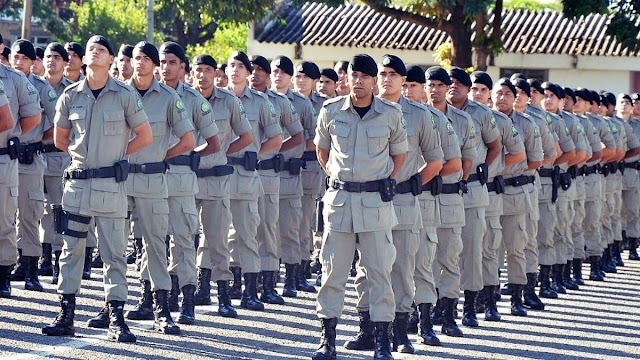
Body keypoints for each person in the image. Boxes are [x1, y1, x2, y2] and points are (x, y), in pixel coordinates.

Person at [42, 35, 152, 342]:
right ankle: (66, 315)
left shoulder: (125, 95)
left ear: (111, 59)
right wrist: (84, 159)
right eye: (91, 49)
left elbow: (145, 136)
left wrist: (116, 157)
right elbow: (60, 139)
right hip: (77, 186)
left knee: (114, 253)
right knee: (71, 251)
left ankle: (115, 316)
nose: (93, 52)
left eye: (101, 50)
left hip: (109, 187)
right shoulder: (70, 95)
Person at [312, 54, 407, 360]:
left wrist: (384, 180)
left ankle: (381, 342)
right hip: (340, 203)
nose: (359, 81)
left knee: (379, 272)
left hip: (375, 203)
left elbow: (399, 155)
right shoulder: (330, 110)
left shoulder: (390, 114)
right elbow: (322, 150)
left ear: (374, 80)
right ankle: (327, 341)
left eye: (366, 76)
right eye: (355, 75)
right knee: (333, 272)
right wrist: (337, 179)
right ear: (348, 78)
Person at [120, 41, 195, 336]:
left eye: (145, 59)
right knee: (114, 246)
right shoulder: (117, 93)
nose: (139, 63)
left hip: (152, 180)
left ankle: (162, 309)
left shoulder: (167, 97)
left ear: (154, 65)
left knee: (155, 245)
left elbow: (189, 141)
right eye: (135, 58)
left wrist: (160, 156)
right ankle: (112, 305)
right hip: (119, 178)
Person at [158, 42, 220, 325]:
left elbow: (214, 142)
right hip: (150, 177)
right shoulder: (146, 95)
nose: (166, 67)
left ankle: (188, 299)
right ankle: (153, 297)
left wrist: (193, 156)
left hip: (181, 177)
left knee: (183, 240)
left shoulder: (194, 100)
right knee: (152, 240)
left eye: (172, 62)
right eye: (163, 61)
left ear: (183, 67)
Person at [191, 54, 250, 318]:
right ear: (190, 72)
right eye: (198, 70)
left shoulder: (229, 102)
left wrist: (224, 152)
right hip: (186, 179)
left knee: (217, 240)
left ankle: (223, 296)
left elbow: (246, 136)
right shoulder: (181, 99)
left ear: (216, 73)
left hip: (215, 179)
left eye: (207, 70)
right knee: (181, 240)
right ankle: (186, 294)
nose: (202, 75)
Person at [226, 50, 282, 311]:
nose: (235, 70)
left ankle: (250, 290)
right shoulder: (215, 99)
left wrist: (255, 153)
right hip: (218, 175)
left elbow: (276, 137)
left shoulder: (260, 102)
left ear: (248, 73)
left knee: (248, 233)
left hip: (247, 175)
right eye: (231, 65)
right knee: (219, 236)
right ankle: (221, 287)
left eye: (240, 66)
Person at [447, 67, 501, 327]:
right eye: (451, 82)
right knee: (443, 251)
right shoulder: (434, 112)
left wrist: (483, 167)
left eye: (460, 83)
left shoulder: (481, 114)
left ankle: (470, 305)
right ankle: (444, 304)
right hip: (443, 190)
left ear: (468, 89)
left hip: (472, 190)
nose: (453, 87)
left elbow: (495, 145)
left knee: (472, 250)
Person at [470, 71, 526, 319]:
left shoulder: (499, 121)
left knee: (490, 247)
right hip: (462, 190)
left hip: (490, 190)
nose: (477, 93)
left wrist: (495, 169)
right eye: (474, 88)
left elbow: (520, 154)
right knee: (462, 249)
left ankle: (492, 299)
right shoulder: (457, 117)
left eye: (483, 89)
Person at [426, 66, 475, 337]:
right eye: (430, 84)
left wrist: (459, 180)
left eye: (439, 85)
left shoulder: (462, 120)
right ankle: (422, 310)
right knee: (422, 256)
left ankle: (448, 313)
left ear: (448, 89)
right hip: (422, 195)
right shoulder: (415, 115)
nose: (434, 89)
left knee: (449, 256)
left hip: (449, 195)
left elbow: (468, 157)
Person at [250, 54, 302, 301]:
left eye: (261, 69)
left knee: (268, 227)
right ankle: (242, 281)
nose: (255, 73)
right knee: (238, 229)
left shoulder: (279, 102)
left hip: (269, 171)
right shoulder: (234, 99)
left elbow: (298, 136)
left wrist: (273, 150)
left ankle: (269, 283)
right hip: (241, 171)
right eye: (251, 68)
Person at [493, 78, 544, 316]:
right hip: (490, 191)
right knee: (489, 247)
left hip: (515, 191)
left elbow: (536, 160)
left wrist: (508, 171)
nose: (501, 98)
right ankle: (489, 297)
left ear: (515, 98)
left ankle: (517, 295)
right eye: (498, 93)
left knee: (516, 247)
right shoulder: (485, 119)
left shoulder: (527, 123)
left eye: (507, 94)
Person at [8, 39, 54, 292]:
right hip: (8, 157)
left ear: (33, 62)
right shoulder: (7, 82)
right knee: (8, 214)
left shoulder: (41, 87)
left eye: (24, 58)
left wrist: (39, 141)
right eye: (16, 57)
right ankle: (15, 261)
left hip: (30, 157)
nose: (19, 62)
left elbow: (59, 121)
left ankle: (31, 269)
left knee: (30, 213)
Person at [0, 33, 41, 298]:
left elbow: (33, 117)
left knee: (4, 219)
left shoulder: (14, 79)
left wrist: (13, 136)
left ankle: (3, 274)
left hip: (3, 157)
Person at [39, 42, 73, 284]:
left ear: (65, 63)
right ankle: (42, 256)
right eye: (48, 56)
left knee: (58, 210)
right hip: (33, 156)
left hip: (59, 156)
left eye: (57, 57)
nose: (51, 61)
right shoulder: (33, 84)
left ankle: (58, 259)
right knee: (36, 211)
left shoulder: (71, 90)